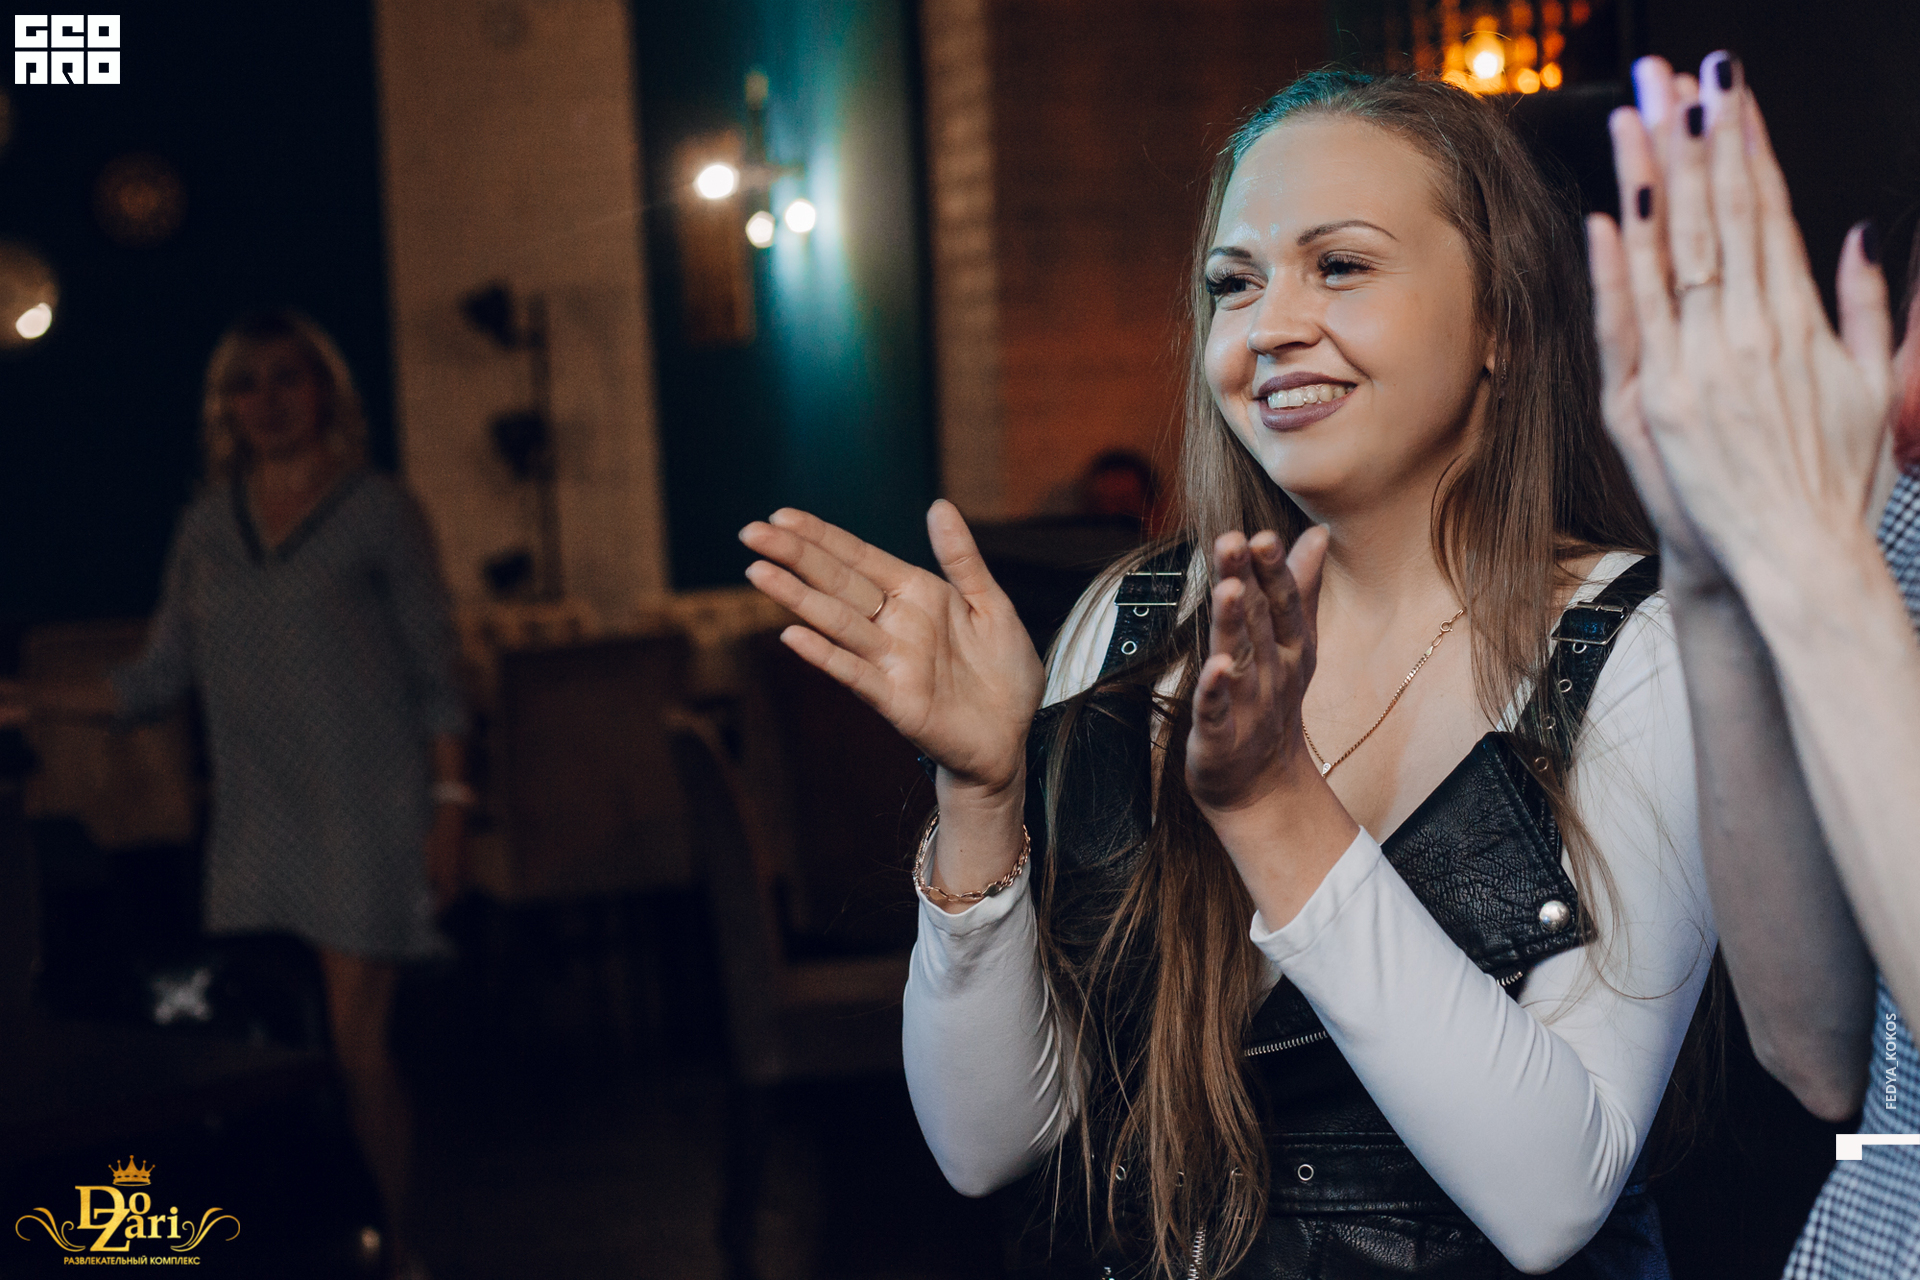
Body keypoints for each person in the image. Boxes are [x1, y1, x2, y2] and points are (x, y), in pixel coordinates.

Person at [741, 72, 1719, 1277]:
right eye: (1235, 283)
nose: (1271, 326)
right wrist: (984, 795)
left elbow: (1554, 1195)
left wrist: (1276, 807)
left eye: (1340, 266)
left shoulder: (1636, 651)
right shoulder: (1137, 620)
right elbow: (985, 1143)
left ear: (1500, 323)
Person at [2, 309, 468, 1280]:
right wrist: (32, 699)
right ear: (225, 407)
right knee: (276, 1050)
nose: (268, 400)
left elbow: (437, 671)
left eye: (287, 377)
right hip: (257, 821)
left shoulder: (378, 510)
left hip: (367, 812)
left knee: (354, 1048)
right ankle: (312, 1241)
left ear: (324, 389)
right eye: (246, 384)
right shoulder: (206, 526)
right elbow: (155, 677)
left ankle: (392, 1250)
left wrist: (451, 804)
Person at [1588, 51, 1920, 1277]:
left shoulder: (1845, 562)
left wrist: (1811, 562)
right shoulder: (1902, 532)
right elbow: (1819, 1050)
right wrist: (1713, 580)